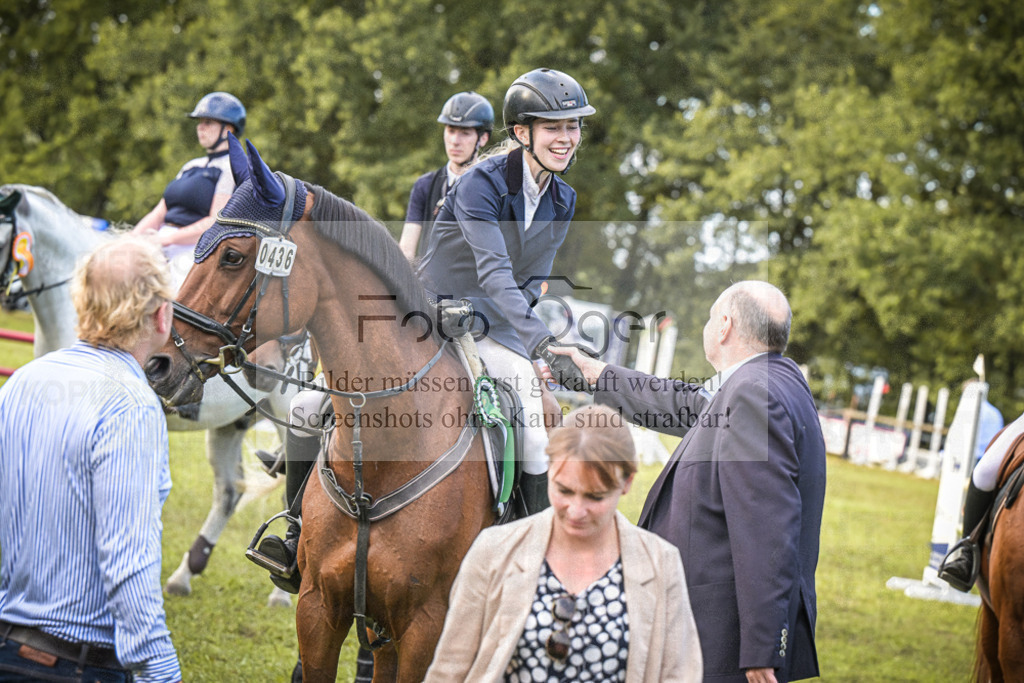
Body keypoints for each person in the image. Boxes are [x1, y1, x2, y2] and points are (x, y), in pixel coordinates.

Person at [547, 281, 826, 683]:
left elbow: (766, 527)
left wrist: (764, 647)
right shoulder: (768, 382)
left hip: (719, 643)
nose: (708, 326)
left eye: (712, 318)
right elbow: (683, 405)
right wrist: (597, 374)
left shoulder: (753, 394)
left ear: (725, 326)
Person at [0, 236, 181, 682]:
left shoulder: (23, 381)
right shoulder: (131, 405)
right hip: (75, 665)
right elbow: (129, 563)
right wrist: (160, 671)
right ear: (162, 314)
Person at [423, 404, 703, 682]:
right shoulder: (493, 550)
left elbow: (679, 674)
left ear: (627, 482)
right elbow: (450, 669)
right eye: (564, 490)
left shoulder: (660, 563)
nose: (576, 511)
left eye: (595, 497)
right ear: (548, 470)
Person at [132, 91, 246, 263]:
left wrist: (167, 240)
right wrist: (131, 239)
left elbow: (214, 221)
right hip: (159, 241)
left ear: (228, 129)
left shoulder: (231, 168)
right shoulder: (191, 166)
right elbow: (160, 212)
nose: (200, 127)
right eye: (199, 122)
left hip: (191, 249)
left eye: (208, 122)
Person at [398, 91, 493, 260]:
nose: (455, 141)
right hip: (428, 282)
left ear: (483, 138)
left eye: (465, 132)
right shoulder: (425, 185)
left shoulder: (495, 187)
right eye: (451, 130)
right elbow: (406, 250)